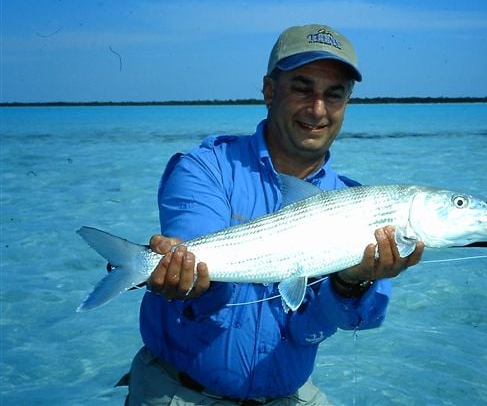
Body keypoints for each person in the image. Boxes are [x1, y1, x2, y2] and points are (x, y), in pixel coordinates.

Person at [125, 24, 425, 406]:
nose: (318, 109)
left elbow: (355, 321)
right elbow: (194, 268)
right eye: (302, 88)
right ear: (269, 91)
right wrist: (186, 276)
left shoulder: (356, 201)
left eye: (334, 95)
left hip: (288, 394)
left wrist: (351, 284)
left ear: (346, 104)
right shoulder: (205, 168)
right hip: (180, 392)